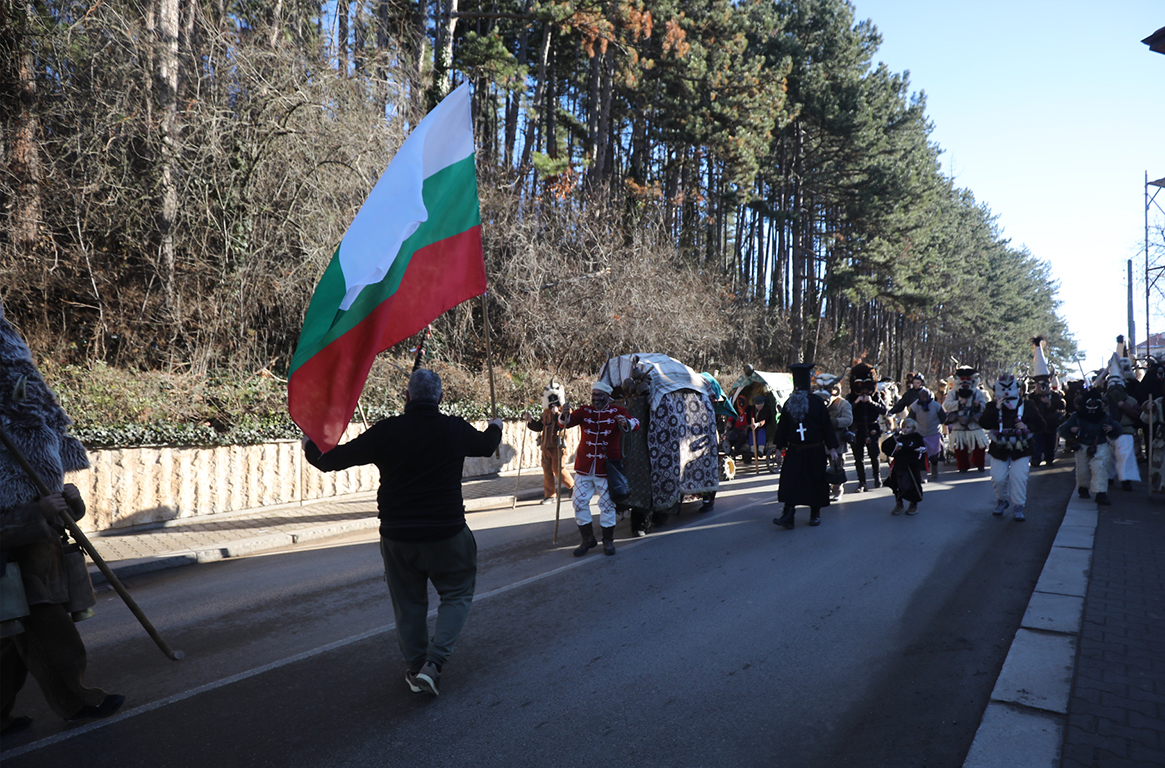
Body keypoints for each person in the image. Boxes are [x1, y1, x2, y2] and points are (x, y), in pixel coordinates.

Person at [303, 369, 502, 697]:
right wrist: (495, 426)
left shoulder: (386, 431)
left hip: (397, 537)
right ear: (440, 398)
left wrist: (310, 444)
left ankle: (414, 668)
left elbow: (330, 461)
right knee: (457, 594)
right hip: (447, 533)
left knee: (409, 605)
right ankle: (434, 665)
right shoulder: (453, 428)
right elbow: (486, 446)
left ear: (406, 397)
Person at [1, 306, 124, 732]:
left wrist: (64, 503)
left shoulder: (22, 405)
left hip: (34, 544)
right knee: (46, 628)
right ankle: (76, 700)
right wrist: (35, 513)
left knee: (11, 636)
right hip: (14, 552)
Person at [559, 381, 640, 556]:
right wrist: (564, 415)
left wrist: (625, 422)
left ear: (607, 398)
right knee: (578, 502)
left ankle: (608, 541)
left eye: (599, 397)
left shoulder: (617, 412)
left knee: (607, 505)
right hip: (584, 467)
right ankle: (587, 539)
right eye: (594, 396)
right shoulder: (585, 411)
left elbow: (636, 424)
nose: (595, 399)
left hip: (607, 468)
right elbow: (566, 423)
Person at [773, 363, 840, 529]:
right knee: (790, 481)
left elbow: (826, 426)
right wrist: (778, 448)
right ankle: (788, 515)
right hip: (794, 450)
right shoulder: (790, 404)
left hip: (815, 449)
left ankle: (815, 513)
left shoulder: (817, 403)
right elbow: (782, 427)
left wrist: (832, 448)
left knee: (815, 481)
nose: (798, 392)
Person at [980, 372, 1045, 521]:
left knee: (1019, 478)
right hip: (999, 448)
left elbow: (1041, 424)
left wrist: (1026, 425)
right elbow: (984, 424)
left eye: (1010, 389)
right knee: (998, 478)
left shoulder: (1027, 405)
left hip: (1021, 449)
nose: (1007, 393)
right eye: (1002, 389)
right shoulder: (992, 406)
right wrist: (995, 409)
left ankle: (1018, 506)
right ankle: (1002, 501)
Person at [1059, 389, 1122, 505]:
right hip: (1082, 445)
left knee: (1100, 468)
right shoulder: (1077, 416)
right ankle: (1083, 487)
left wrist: (1112, 428)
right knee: (1082, 469)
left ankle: (1101, 493)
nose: (1093, 406)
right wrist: (1071, 430)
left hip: (1100, 444)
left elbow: (1116, 428)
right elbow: (1063, 429)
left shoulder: (1104, 416)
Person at [522, 380, 573, 504]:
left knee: (558, 469)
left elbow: (566, 423)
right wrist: (530, 421)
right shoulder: (545, 413)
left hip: (558, 445)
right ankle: (550, 495)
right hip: (546, 445)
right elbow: (540, 426)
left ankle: (573, 486)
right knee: (547, 470)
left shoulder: (565, 410)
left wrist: (558, 414)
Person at [845, 363, 885, 491]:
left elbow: (884, 410)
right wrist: (856, 402)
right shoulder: (850, 397)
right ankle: (862, 482)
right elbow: (847, 411)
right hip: (857, 428)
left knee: (874, 454)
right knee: (858, 457)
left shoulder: (876, 395)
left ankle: (877, 477)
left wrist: (871, 402)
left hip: (872, 427)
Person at [943, 365, 989, 473]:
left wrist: (978, 405)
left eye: (968, 379)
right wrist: (958, 403)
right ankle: (963, 465)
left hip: (974, 423)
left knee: (979, 445)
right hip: (959, 423)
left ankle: (979, 464)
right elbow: (946, 405)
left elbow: (985, 406)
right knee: (960, 446)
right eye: (963, 379)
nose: (965, 382)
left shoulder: (978, 392)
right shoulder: (953, 393)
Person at [1027, 337, 1065, 467]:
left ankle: (1049, 459)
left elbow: (1062, 404)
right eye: (1039, 384)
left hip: (1050, 424)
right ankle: (1036, 459)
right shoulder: (1031, 397)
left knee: (1050, 442)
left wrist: (1050, 403)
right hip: (1037, 426)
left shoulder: (1054, 395)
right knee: (1036, 442)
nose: (1042, 387)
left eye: (1045, 384)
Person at [882, 418, 927, 515]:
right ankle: (899, 503)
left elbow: (919, 449)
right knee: (896, 484)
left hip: (911, 467)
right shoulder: (900, 437)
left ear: (914, 428)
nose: (905, 430)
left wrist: (905, 445)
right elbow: (887, 448)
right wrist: (894, 438)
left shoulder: (917, 437)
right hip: (899, 466)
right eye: (903, 427)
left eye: (908, 427)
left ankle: (913, 504)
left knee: (912, 485)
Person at [822, 383, 853, 499]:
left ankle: (837, 489)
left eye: (833, 389)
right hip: (822, 440)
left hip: (838, 439)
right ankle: (825, 489)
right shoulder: (820, 403)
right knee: (821, 467)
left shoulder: (843, 404)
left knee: (837, 466)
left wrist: (833, 422)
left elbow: (848, 420)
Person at [908, 388, 945, 480]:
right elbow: (911, 419)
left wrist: (938, 426)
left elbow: (943, 418)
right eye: (922, 395)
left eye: (926, 395)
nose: (924, 397)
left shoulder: (936, 405)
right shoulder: (915, 406)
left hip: (934, 433)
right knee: (922, 456)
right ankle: (923, 475)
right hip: (920, 434)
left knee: (934, 456)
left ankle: (934, 469)